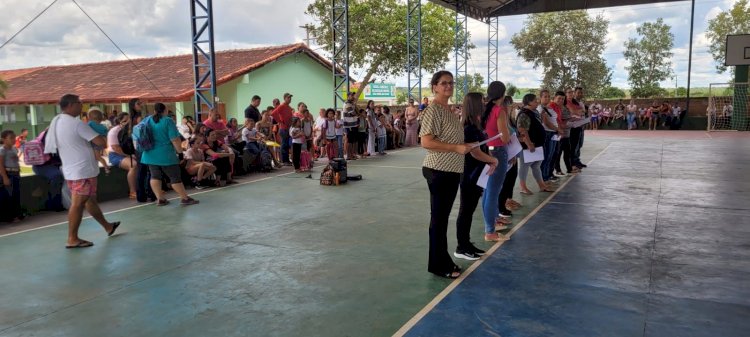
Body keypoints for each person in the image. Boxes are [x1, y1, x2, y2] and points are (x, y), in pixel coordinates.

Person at [45, 94, 120, 249]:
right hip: (82, 170)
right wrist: (100, 139)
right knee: (78, 203)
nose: (82, 107)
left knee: (89, 200)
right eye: (80, 103)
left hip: (73, 169)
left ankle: (107, 226)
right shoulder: (77, 124)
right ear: (72, 105)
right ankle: (72, 238)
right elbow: (100, 141)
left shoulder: (57, 122)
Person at [420, 70, 476, 279]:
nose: (448, 87)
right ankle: (438, 264)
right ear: (434, 86)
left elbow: (450, 139)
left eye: (451, 83)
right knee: (439, 220)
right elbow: (426, 142)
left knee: (441, 219)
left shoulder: (449, 110)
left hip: (451, 169)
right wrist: (456, 148)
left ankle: (442, 260)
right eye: (443, 83)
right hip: (438, 170)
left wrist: (463, 146)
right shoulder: (434, 110)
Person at [454, 93, 499, 261]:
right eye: (482, 101)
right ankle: (461, 246)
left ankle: (466, 243)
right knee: (466, 210)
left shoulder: (476, 124)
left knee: (470, 210)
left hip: (478, 173)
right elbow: (476, 153)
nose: (485, 103)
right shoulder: (469, 127)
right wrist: (493, 160)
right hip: (470, 174)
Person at [139, 103, 199, 206]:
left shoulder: (147, 120)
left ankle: (160, 199)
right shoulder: (168, 121)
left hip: (149, 154)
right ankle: (184, 198)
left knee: (155, 176)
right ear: (165, 110)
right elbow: (175, 139)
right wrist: (180, 153)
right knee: (174, 176)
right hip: (165, 155)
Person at [481, 81, 512, 243]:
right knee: (493, 192)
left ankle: (490, 224)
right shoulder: (499, 111)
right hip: (498, 153)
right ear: (503, 94)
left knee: (488, 191)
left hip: (487, 150)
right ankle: (490, 231)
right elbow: (505, 137)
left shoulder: (486, 110)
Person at [517, 94, 554, 195]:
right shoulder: (524, 113)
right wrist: (529, 143)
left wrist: (541, 117)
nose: (537, 102)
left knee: (537, 165)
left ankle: (542, 185)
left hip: (537, 144)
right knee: (524, 165)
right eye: (535, 101)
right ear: (528, 102)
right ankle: (523, 187)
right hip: (528, 145)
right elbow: (522, 130)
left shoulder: (534, 112)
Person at [107, 112, 138, 198]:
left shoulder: (132, 130)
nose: (128, 122)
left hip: (128, 153)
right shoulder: (114, 131)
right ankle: (132, 192)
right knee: (133, 165)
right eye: (125, 120)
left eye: (129, 120)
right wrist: (129, 156)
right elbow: (116, 148)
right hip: (115, 155)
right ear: (119, 121)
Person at [1, 129, 24, 222]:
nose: (14, 139)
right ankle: (10, 216)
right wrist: (5, 177)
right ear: (4, 139)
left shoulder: (14, 148)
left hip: (15, 173)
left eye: (14, 137)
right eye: (11, 138)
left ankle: (17, 214)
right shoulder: (2, 150)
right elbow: (0, 165)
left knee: (16, 194)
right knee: (10, 195)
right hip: (8, 173)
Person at [538, 89, 560, 184]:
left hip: (553, 133)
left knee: (550, 155)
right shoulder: (541, 108)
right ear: (540, 98)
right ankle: (544, 177)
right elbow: (546, 122)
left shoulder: (548, 108)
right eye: (545, 96)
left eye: (548, 96)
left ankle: (546, 175)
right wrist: (557, 129)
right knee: (547, 156)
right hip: (548, 133)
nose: (547, 98)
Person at [271, 93, 294, 165]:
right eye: (288, 98)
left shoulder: (289, 107)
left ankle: (286, 160)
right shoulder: (282, 106)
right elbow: (273, 113)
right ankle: (284, 161)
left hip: (288, 128)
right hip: (283, 128)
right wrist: (280, 122)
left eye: (290, 98)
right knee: (284, 144)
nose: (289, 99)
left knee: (286, 144)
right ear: (284, 98)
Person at [87, 107, 110, 175]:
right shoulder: (103, 126)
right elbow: (106, 134)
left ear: (89, 117)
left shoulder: (90, 123)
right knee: (97, 156)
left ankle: (106, 167)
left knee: (97, 157)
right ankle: (105, 166)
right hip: (101, 142)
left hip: (94, 143)